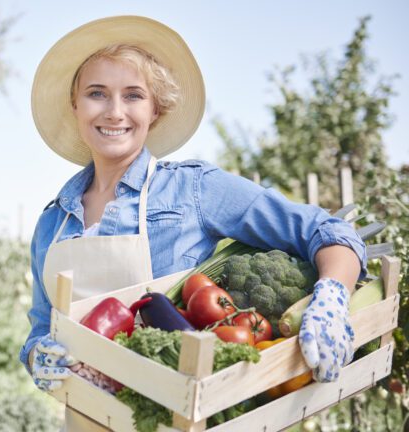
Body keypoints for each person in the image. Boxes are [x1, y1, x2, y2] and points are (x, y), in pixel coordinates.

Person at [20, 16, 366, 431]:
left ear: (155, 109)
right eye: (97, 94)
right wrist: (38, 354)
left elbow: (327, 232)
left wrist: (331, 299)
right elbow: (42, 327)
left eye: (133, 95)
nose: (114, 111)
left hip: (177, 420)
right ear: (76, 105)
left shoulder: (193, 189)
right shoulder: (52, 222)